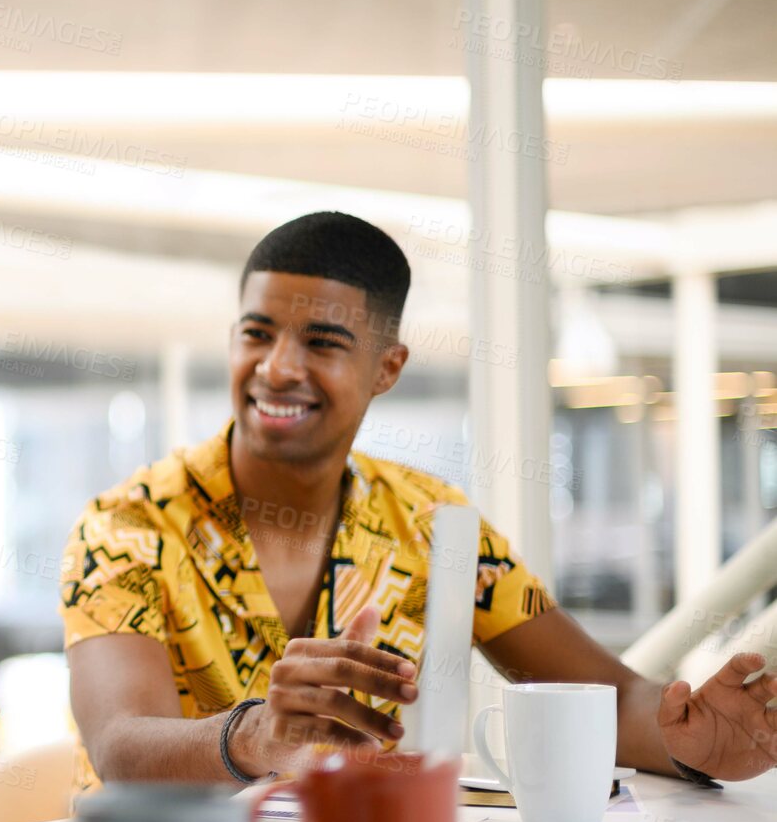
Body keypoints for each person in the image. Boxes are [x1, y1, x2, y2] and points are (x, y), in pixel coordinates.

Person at [61, 211, 777, 791]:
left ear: (386, 368)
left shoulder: (432, 525)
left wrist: (696, 740)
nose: (276, 367)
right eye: (256, 333)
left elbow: (606, 697)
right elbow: (122, 743)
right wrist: (253, 735)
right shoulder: (128, 525)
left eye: (322, 341)